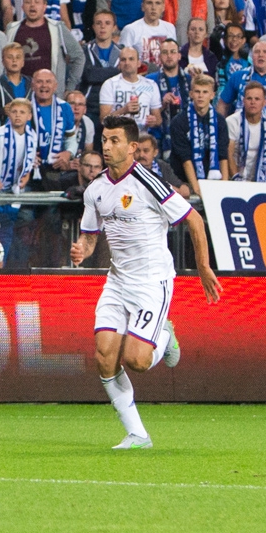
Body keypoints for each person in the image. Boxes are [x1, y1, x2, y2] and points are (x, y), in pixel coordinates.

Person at [70, 115, 221, 449]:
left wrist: (203, 267)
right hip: (117, 280)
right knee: (104, 356)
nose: (106, 147)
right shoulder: (95, 190)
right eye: (104, 140)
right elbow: (91, 235)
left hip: (152, 281)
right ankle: (137, 434)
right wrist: (83, 248)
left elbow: (194, 220)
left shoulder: (148, 183)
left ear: (132, 147)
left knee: (136, 360)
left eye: (114, 141)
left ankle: (165, 338)